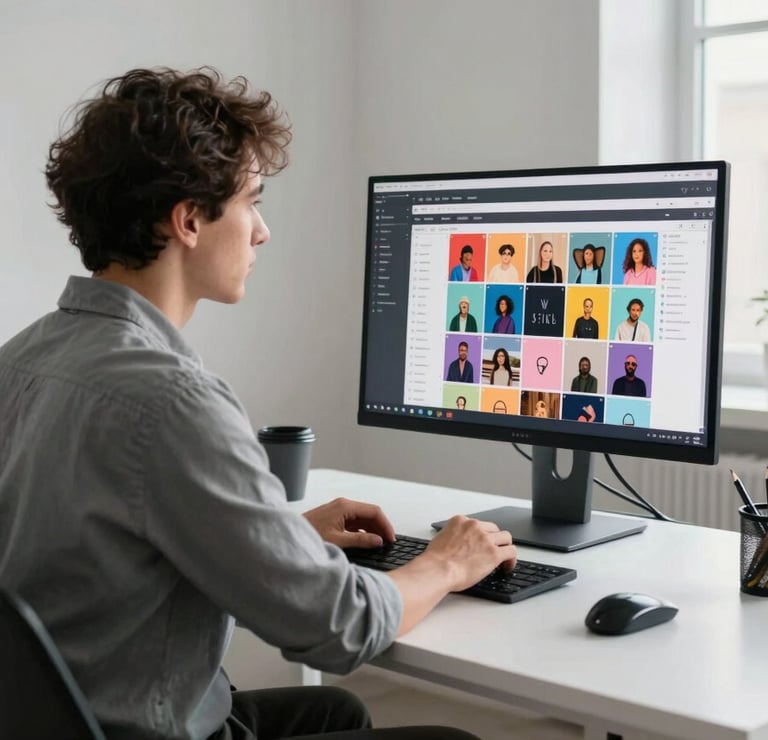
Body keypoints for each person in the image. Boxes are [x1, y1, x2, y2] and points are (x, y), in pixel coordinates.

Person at [0, 68, 516, 740]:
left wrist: (282, 536)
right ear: (188, 219)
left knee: (335, 714)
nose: (262, 231)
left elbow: (102, 551)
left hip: (67, 719)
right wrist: (447, 562)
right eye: (251, 202)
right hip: (149, 728)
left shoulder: (22, 359)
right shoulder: (173, 401)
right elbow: (339, 628)